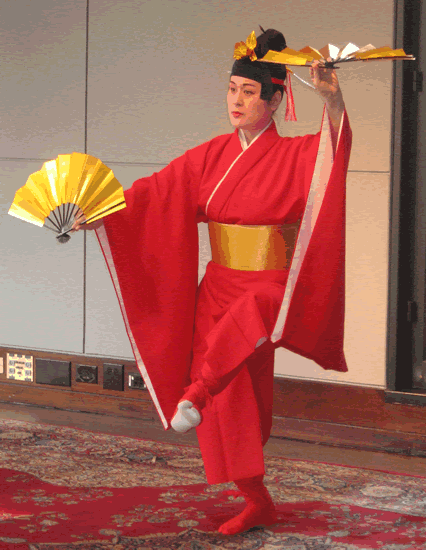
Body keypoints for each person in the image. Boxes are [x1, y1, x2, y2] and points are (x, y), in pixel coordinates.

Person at [72, 28, 352, 535]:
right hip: (219, 283)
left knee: (236, 340)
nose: (237, 100)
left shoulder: (294, 155)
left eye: (249, 92)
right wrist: (99, 215)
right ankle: (256, 500)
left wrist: (333, 101)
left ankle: (195, 394)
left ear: (274, 100)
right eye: (231, 89)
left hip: (271, 286)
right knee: (233, 407)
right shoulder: (211, 157)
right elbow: (154, 195)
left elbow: (334, 151)